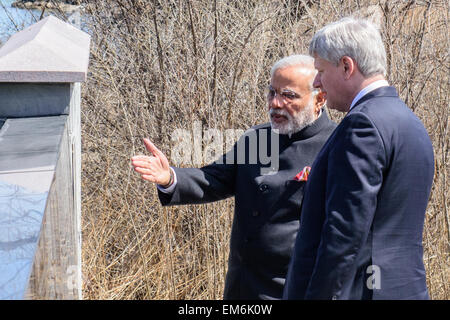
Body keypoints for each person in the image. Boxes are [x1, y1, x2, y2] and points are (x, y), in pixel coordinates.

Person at [131, 54, 337, 300]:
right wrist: (169, 177)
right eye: (272, 93)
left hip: (295, 290)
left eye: (288, 95)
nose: (275, 103)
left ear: (319, 98)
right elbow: (215, 179)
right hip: (243, 287)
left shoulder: (336, 146)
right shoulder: (258, 139)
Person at [283, 18, 434, 300]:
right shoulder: (411, 123)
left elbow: (343, 236)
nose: (317, 82)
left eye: (320, 71)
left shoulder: (362, 125)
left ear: (346, 66)